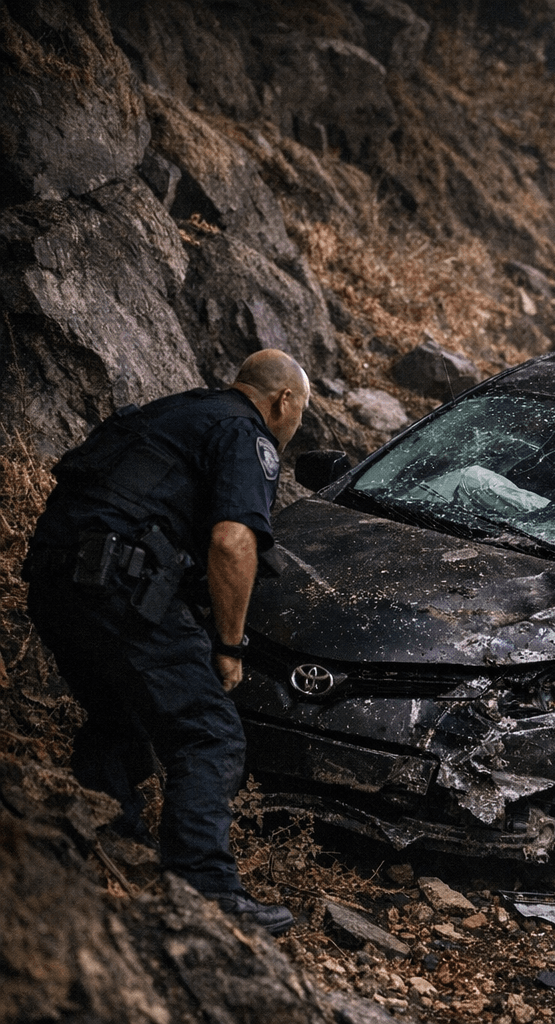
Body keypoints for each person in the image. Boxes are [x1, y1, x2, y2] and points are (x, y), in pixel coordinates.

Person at [24, 350, 311, 936]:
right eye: (300, 413)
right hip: (121, 583)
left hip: (54, 582)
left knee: (118, 709)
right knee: (209, 732)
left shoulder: (176, 412)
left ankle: (106, 842)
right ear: (284, 401)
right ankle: (206, 893)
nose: (295, 424)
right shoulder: (244, 433)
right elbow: (233, 542)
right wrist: (229, 648)